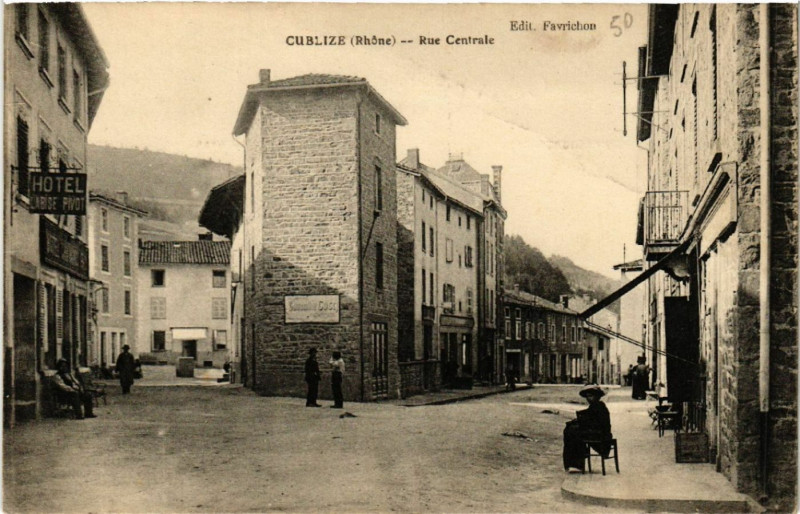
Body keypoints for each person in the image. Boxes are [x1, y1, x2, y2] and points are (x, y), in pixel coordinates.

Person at [563, 384, 612, 473]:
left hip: (602, 436)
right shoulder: (595, 406)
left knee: (573, 433)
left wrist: (582, 422)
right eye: (587, 396)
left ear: (597, 396)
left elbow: (599, 424)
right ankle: (574, 462)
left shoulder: (600, 407)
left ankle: (577, 463)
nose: (589, 398)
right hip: (595, 433)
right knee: (570, 430)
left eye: (591, 396)